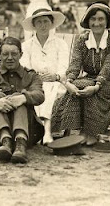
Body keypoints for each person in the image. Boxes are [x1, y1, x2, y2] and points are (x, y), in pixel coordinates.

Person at [50, 3, 110, 146]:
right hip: (88, 81)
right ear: (88, 21)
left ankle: (91, 133)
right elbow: (75, 64)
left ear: (107, 21)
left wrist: (97, 85)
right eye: (93, 19)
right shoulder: (82, 41)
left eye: (101, 19)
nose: (97, 23)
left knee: (91, 90)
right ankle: (67, 128)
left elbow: (109, 66)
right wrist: (69, 82)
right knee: (77, 87)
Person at [0, 37, 45, 164]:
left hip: (29, 132)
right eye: (5, 54)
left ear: (21, 54)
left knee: (20, 96)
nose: (10, 58)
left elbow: (39, 94)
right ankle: (6, 141)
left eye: (14, 54)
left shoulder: (30, 75)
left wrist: (23, 98)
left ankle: (20, 143)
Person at [19, 8, 69, 145]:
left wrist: (56, 76)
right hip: (34, 82)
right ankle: (43, 130)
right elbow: (24, 67)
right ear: (34, 25)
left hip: (56, 82)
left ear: (51, 24)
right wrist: (36, 77)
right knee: (40, 89)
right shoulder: (26, 46)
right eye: (39, 22)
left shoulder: (61, 44)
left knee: (50, 89)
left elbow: (64, 67)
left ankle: (46, 130)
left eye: (46, 21)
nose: (43, 25)